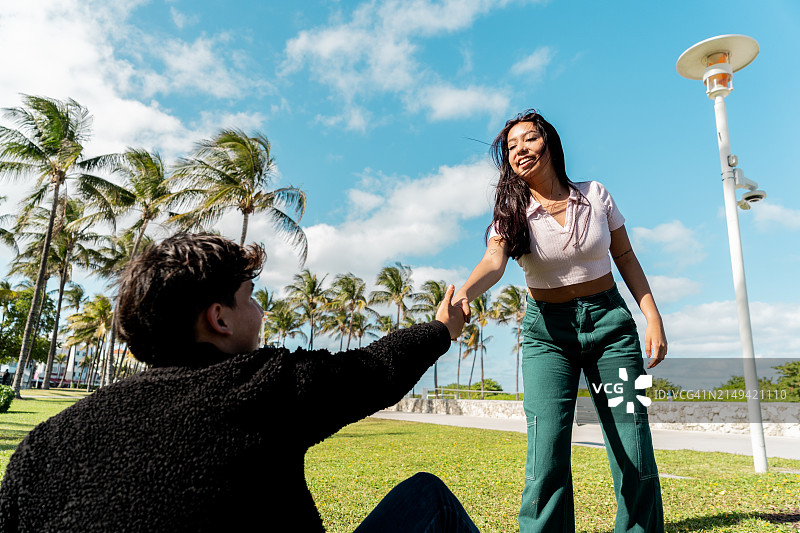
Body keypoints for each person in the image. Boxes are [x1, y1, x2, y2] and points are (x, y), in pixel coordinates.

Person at [0, 233, 479, 533]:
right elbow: (375, 369)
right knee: (427, 499)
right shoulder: (258, 386)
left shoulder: (43, 443)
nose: (261, 310)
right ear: (220, 318)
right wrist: (442, 329)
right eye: (250, 297)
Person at [453, 110, 666, 532]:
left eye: (529, 139)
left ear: (549, 142)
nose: (520, 150)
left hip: (612, 328)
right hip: (547, 335)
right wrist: (463, 293)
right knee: (546, 448)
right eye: (511, 147)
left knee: (633, 442)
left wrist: (652, 315)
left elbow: (625, 256)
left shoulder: (595, 195)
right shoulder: (512, 213)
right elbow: (493, 262)